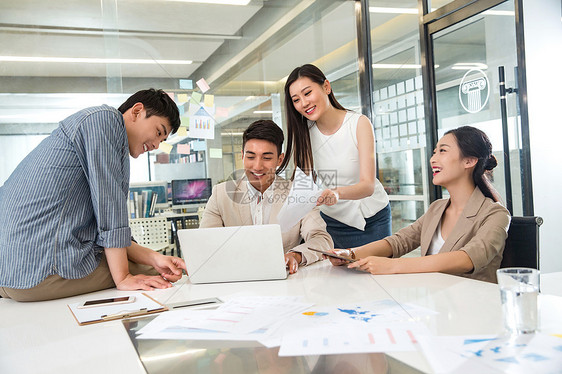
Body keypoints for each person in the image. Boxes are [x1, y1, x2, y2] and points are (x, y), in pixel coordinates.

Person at [0, 88, 187, 301]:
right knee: (159, 276)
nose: (155, 145)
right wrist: (123, 277)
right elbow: (109, 211)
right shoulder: (104, 121)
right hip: (37, 272)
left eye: (162, 141)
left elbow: (109, 231)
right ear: (136, 112)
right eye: (158, 132)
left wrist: (154, 257)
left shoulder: (98, 129)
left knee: (153, 266)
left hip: (10, 270)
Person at [327, 126, 511, 283]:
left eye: (443, 151)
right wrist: (351, 253)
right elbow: (399, 241)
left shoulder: (495, 214)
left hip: (473, 309)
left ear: (469, 161)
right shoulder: (437, 208)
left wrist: (393, 266)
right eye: (434, 152)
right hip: (434, 302)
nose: (433, 159)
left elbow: (468, 258)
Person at [280, 64, 391, 249]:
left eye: (307, 93)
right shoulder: (305, 133)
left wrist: (336, 193)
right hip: (332, 221)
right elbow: (305, 183)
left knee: (373, 275)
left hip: (372, 219)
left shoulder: (358, 123)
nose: (304, 103)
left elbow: (368, 185)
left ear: (326, 87)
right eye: (296, 100)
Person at [199, 119, 333, 274]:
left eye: (267, 157)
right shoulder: (220, 194)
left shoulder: (299, 194)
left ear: (279, 160)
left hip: (285, 281)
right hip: (235, 279)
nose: (257, 166)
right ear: (242, 156)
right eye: (251, 157)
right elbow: (205, 243)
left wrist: (295, 255)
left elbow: (322, 239)